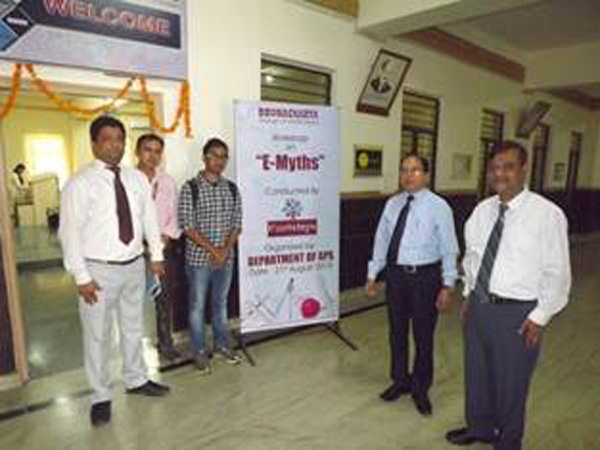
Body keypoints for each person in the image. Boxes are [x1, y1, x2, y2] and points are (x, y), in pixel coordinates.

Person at [446, 141, 571, 450]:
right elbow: (473, 258)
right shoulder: (482, 211)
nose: (500, 174)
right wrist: (469, 294)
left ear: (524, 169)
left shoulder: (546, 215)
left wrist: (540, 316)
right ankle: (480, 427)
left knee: (511, 383)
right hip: (479, 306)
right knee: (477, 374)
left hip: (518, 314)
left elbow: (557, 271)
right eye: (494, 168)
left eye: (508, 167)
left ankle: (508, 441)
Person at [59, 116, 170, 427]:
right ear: (94, 143)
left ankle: (136, 379)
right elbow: (69, 234)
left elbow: (149, 219)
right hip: (98, 271)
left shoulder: (136, 179)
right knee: (98, 336)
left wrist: (156, 256)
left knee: (134, 327)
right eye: (107, 139)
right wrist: (81, 277)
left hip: (133, 266)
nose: (115, 145)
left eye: (119, 139)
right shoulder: (80, 183)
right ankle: (100, 396)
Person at [367, 154, 459, 416]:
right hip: (396, 277)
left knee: (423, 335)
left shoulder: (439, 206)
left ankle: (420, 388)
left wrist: (448, 284)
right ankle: (400, 380)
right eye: (404, 170)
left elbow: (449, 247)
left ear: (427, 176)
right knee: (396, 332)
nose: (408, 175)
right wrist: (373, 274)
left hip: (425, 278)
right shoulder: (392, 204)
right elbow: (381, 241)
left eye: (415, 170)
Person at [178, 137, 243, 375]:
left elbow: (237, 223)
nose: (219, 160)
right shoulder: (191, 188)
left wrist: (224, 251)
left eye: (223, 156)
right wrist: (215, 251)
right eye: (214, 155)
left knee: (220, 304)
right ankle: (199, 351)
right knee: (197, 306)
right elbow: (187, 226)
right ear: (204, 157)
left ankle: (222, 345)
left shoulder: (232, 188)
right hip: (199, 261)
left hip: (226, 260)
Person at [135, 133, 182, 361]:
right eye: (147, 150)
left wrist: (165, 239)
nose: (152, 156)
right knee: (132, 302)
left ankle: (165, 345)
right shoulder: (127, 180)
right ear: (137, 152)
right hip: (133, 250)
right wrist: (141, 244)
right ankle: (133, 353)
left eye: (157, 151)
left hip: (163, 249)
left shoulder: (167, 182)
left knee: (164, 299)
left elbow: (175, 215)